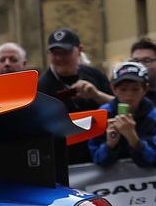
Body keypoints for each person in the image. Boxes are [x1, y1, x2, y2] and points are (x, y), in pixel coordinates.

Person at [37, 28, 113, 165]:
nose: (60, 58)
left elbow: (118, 107)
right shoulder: (42, 87)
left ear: (79, 50)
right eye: (55, 53)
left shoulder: (95, 76)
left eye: (65, 53)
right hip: (64, 161)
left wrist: (96, 95)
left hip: (100, 157)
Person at [89, 62, 156, 169]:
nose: (129, 94)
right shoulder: (102, 114)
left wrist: (132, 138)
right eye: (123, 89)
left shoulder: (154, 115)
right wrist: (110, 145)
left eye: (135, 89)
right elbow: (97, 157)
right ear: (113, 89)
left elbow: (152, 157)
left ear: (145, 89)